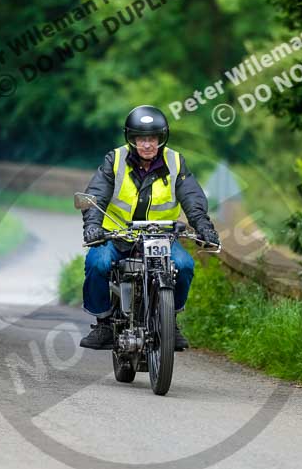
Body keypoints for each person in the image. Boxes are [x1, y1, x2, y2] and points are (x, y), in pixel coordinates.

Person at [79, 105, 219, 351]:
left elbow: (192, 198)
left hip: (161, 238)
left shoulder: (175, 162)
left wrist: (204, 227)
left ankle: (169, 322)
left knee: (184, 265)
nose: (147, 144)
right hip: (118, 236)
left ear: (160, 139)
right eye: (141, 139)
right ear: (131, 139)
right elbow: (96, 195)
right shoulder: (115, 160)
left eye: (152, 138)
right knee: (97, 263)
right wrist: (92, 226)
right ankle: (103, 322)